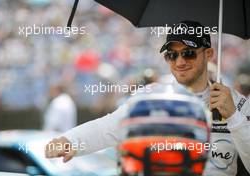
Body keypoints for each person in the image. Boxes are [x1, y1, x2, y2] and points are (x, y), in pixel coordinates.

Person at [45, 21, 250, 175]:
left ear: (209, 54)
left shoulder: (237, 103)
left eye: (188, 53)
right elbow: (109, 127)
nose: (179, 61)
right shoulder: (153, 96)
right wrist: (70, 141)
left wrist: (234, 117)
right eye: (171, 54)